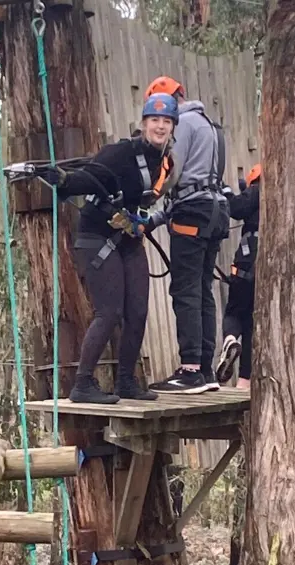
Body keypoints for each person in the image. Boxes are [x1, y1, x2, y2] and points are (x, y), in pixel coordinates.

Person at [40, 93, 179, 404]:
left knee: (138, 311)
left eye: (166, 121)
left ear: (173, 127)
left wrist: (149, 223)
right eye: (154, 120)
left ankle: (126, 381)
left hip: (128, 238)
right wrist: (62, 180)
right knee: (110, 311)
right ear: (143, 123)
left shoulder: (165, 164)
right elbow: (87, 179)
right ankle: (82, 384)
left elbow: (158, 207)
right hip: (96, 238)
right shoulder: (119, 153)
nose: (160, 126)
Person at [141, 76, 230, 395]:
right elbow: (204, 179)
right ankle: (205, 369)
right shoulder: (212, 125)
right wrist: (157, 219)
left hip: (192, 213)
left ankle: (190, 370)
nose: (161, 121)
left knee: (186, 291)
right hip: (215, 210)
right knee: (203, 289)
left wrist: (148, 197)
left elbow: (173, 171)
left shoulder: (185, 124)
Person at [214, 163, 260, 389]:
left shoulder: (258, 191)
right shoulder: (290, 199)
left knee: (234, 311)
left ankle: (230, 339)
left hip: (246, 266)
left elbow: (235, 208)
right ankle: (244, 381)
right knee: (252, 324)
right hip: (269, 274)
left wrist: (226, 191)